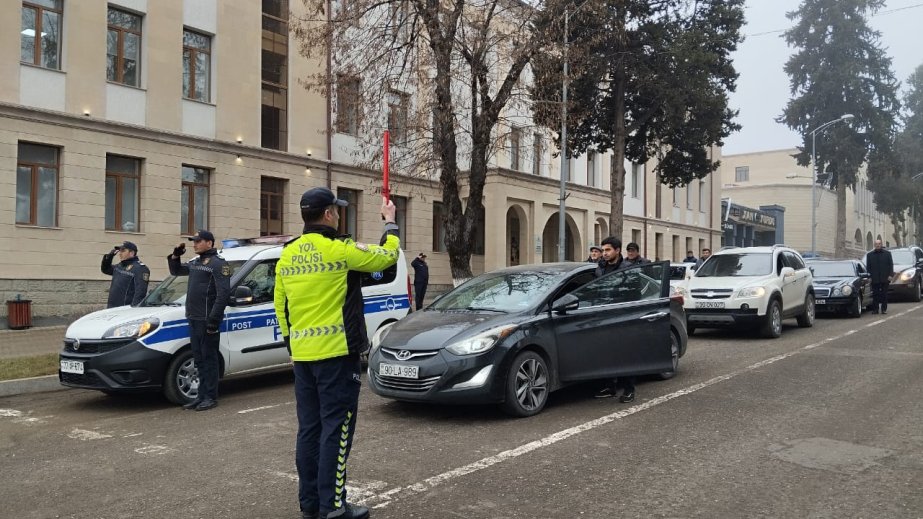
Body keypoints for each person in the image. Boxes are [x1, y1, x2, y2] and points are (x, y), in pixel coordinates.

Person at [274, 187, 400, 519]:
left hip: (302, 357)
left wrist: (291, 344)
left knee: (309, 430)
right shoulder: (339, 249)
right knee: (337, 429)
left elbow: (280, 305)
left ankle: (311, 504)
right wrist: (390, 224)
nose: (339, 214)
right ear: (329, 214)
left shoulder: (287, 254)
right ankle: (333, 507)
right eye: (337, 209)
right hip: (336, 355)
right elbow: (386, 257)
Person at [167, 230, 231, 412]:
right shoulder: (195, 262)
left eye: (198, 241)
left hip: (206, 319)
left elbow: (223, 294)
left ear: (209, 243)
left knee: (209, 358)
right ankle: (201, 396)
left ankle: (210, 397)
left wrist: (214, 320)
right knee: (199, 359)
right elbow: (176, 271)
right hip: (193, 318)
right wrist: (175, 256)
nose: (194, 244)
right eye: (193, 241)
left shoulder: (219, 264)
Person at [592, 236, 633, 402]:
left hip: (621, 316)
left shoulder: (627, 268)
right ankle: (610, 387)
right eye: (603, 250)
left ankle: (629, 389)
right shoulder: (599, 268)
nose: (604, 253)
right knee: (606, 354)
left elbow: (632, 293)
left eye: (608, 250)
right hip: (603, 316)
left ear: (617, 250)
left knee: (624, 355)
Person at [101, 241, 150, 308]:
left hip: (125, 310)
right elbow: (106, 270)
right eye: (120, 251)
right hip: (112, 308)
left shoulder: (140, 269)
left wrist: (133, 310)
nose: (120, 253)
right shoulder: (120, 265)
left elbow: (140, 293)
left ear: (132, 253)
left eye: (123, 251)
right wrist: (109, 257)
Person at [865, 239, 894, 314]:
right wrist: (869, 277)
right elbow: (868, 267)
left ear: (881, 244)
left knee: (884, 294)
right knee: (875, 294)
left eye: (879, 243)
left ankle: (884, 309)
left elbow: (891, 265)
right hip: (874, 278)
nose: (878, 245)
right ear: (874, 245)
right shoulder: (869, 255)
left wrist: (891, 275)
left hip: (885, 278)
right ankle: (875, 309)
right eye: (876, 244)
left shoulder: (887, 254)